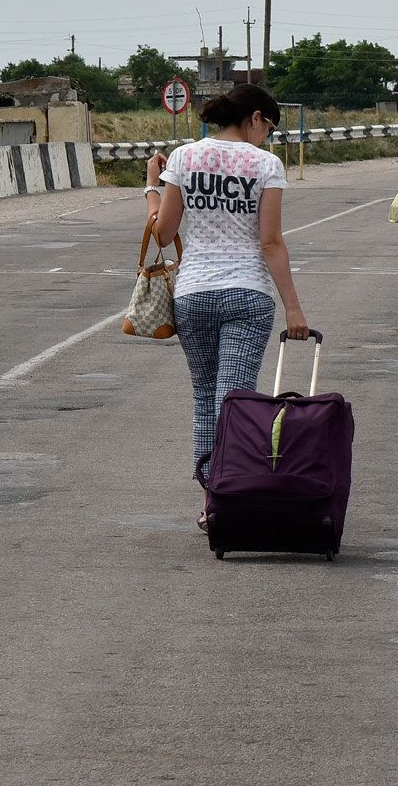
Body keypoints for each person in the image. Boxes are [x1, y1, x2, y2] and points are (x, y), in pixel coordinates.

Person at [150, 84, 312, 521]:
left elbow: (163, 234)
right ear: (255, 118)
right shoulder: (265, 164)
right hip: (247, 294)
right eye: (269, 129)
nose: (268, 138)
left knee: (206, 398)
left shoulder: (184, 157)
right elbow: (271, 242)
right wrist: (293, 306)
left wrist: (151, 187)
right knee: (236, 401)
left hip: (193, 294)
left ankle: (211, 500)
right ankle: (226, 496)